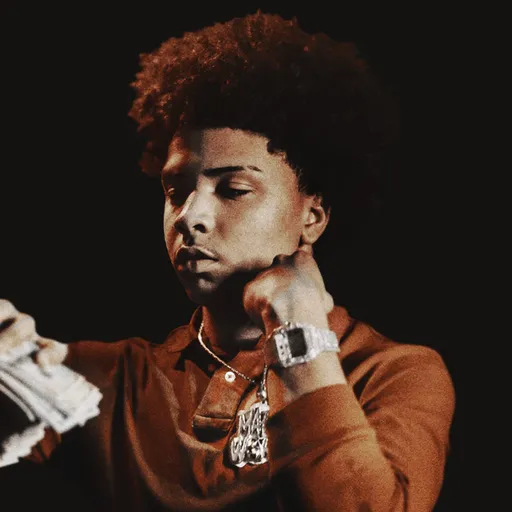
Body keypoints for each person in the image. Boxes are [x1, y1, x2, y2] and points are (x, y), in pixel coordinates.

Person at [0, 11, 455, 512]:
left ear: (313, 216)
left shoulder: (393, 373)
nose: (189, 216)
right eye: (176, 191)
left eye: (234, 189)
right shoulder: (108, 380)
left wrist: (301, 338)